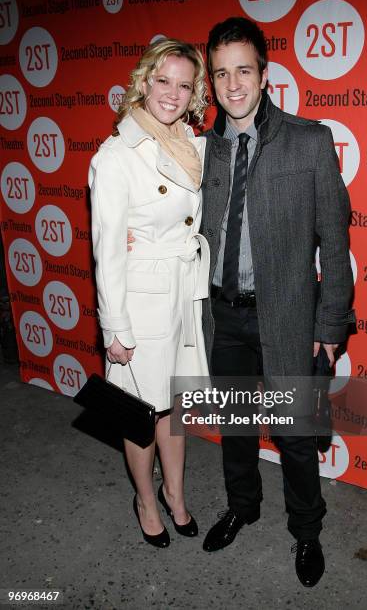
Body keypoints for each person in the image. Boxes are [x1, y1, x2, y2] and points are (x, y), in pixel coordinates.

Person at [199, 17, 355, 587]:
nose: (233, 84)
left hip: (288, 314)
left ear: (265, 75)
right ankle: (242, 507)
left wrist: (331, 324)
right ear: (211, 82)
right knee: (236, 426)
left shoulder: (309, 140)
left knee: (293, 433)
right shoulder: (203, 150)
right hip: (222, 317)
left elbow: (336, 244)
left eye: (244, 69)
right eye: (221, 73)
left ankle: (307, 532)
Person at [89, 39, 210, 549]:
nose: (173, 93)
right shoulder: (118, 155)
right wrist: (115, 326)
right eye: (164, 80)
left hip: (180, 297)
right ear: (145, 81)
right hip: (139, 304)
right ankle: (145, 499)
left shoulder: (187, 141)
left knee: (174, 408)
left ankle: (175, 494)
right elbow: (107, 249)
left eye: (185, 85)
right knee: (140, 414)